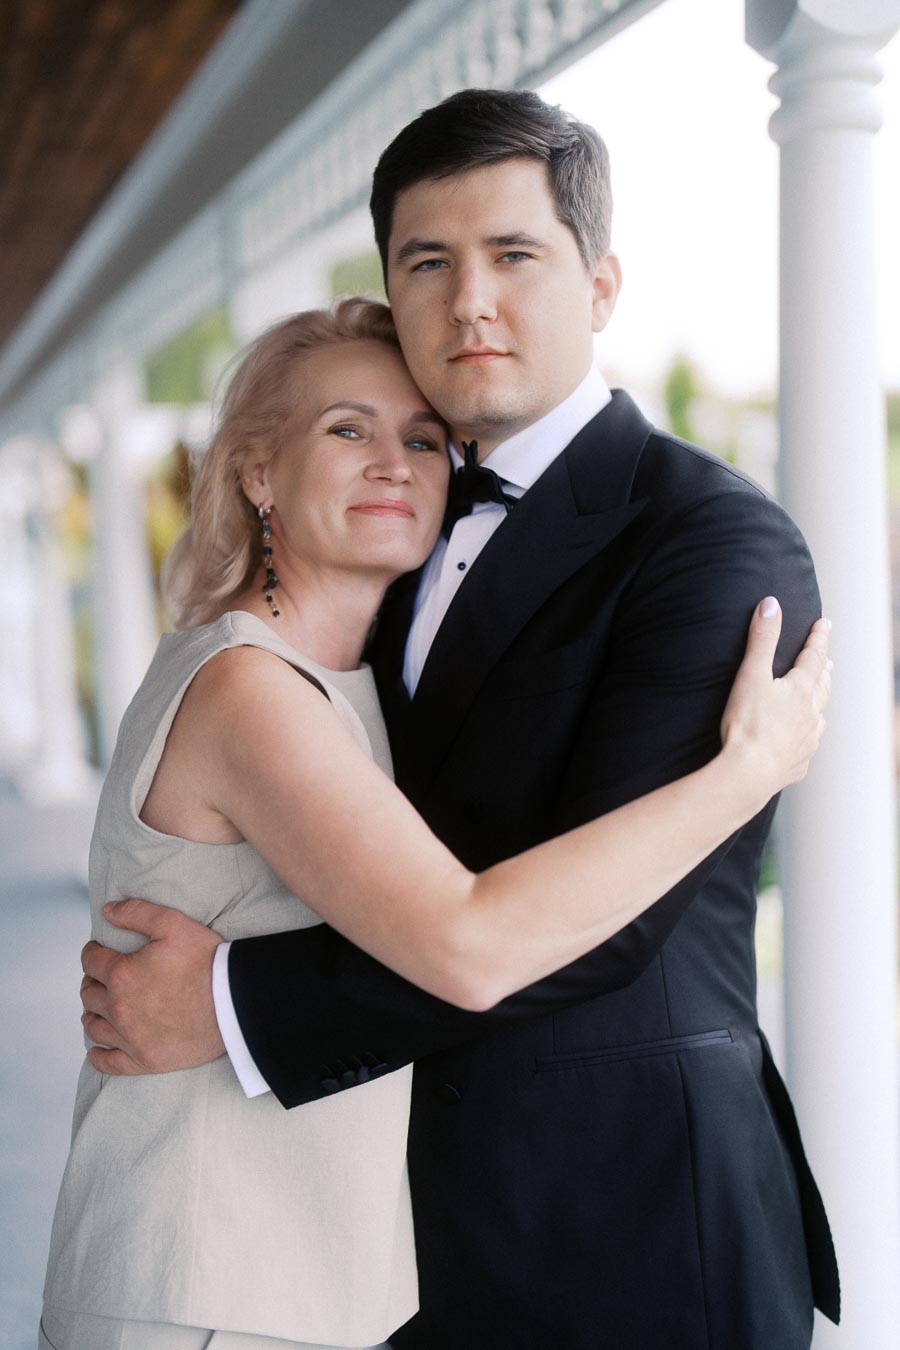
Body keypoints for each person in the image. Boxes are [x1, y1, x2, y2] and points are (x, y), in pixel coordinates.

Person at [79, 90, 839, 1349]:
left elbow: (602, 928)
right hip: (410, 1237)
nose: (469, 301)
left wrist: (236, 1005)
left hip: (636, 1221)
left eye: (514, 255)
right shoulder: (386, 538)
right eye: (427, 262)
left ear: (600, 284)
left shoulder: (709, 539)